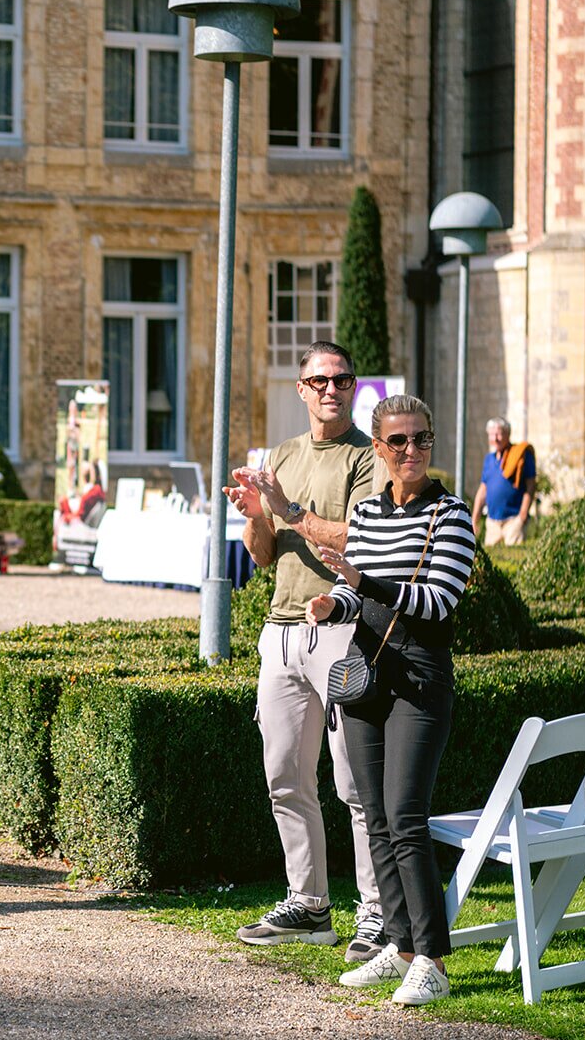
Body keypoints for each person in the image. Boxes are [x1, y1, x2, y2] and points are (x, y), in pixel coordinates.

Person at [306, 394, 475, 1006]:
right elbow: (362, 600)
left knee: (406, 816)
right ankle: (398, 945)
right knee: (375, 817)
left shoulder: (451, 515)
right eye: (398, 441)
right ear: (378, 448)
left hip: (420, 678)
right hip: (367, 675)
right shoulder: (370, 515)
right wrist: (334, 604)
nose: (411, 451)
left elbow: (437, 603)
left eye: (422, 439)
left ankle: (432, 957)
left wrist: (360, 583)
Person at [221, 340, 384, 961]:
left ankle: (374, 913)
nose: (330, 391)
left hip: (344, 628)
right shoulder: (282, 455)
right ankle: (310, 904)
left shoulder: (367, 458)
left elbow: (362, 537)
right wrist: (255, 515)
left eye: (341, 380)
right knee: (285, 776)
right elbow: (263, 554)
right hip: (282, 631)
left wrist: (287, 508)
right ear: (301, 388)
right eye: (319, 381)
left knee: (354, 781)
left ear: (353, 387)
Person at [470, 417, 535, 547]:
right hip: (492, 522)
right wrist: (474, 518)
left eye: (499, 434)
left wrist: (522, 515)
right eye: (492, 434)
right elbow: (483, 490)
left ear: (508, 434)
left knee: (515, 559)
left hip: (513, 521)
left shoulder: (521, 455)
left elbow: (531, 486)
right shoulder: (489, 459)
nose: (496, 438)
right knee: (491, 561)